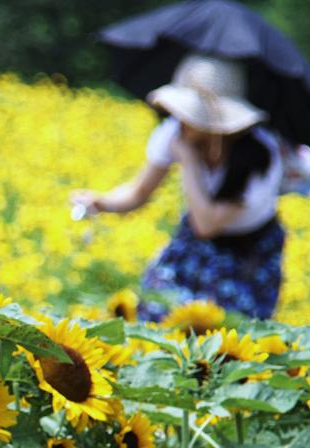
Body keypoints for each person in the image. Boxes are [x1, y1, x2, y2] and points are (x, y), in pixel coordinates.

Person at [71, 54, 285, 321]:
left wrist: (189, 160)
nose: (178, 117)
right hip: (193, 241)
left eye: (189, 113)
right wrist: (101, 201)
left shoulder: (260, 155)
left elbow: (206, 225)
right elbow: (138, 193)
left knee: (230, 325)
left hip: (248, 250)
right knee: (156, 308)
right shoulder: (176, 132)